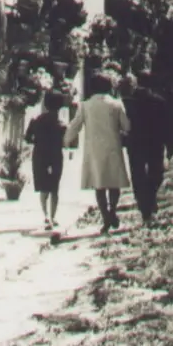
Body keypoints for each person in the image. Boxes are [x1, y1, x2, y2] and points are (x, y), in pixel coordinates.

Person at [64, 72, 132, 234]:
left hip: (94, 149)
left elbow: (75, 125)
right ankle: (112, 210)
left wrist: (66, 140)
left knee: (99, 184)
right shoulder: (116, 104)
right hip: (112, 147)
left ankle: (106, 216)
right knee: (113, 183)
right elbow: (127, 126)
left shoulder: (85, 106)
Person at [123, 72, 170, 227]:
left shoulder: (128, 102)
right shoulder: (159, 101)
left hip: (135, 143)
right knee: (156, 174)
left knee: (138, 175)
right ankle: (150, 201)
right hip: (154, 143)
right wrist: (169, 145)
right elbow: (166, 125)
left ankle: (145, 207)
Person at [25, 90, 67, 230]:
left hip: (40, 156)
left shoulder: (36, 121)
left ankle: (46, 216)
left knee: (44, 188)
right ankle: (53, 217)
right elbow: (66, 142)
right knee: (54, 188)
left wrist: (37, 140)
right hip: (55, 156)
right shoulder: (61, 125)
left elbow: (27, 138)